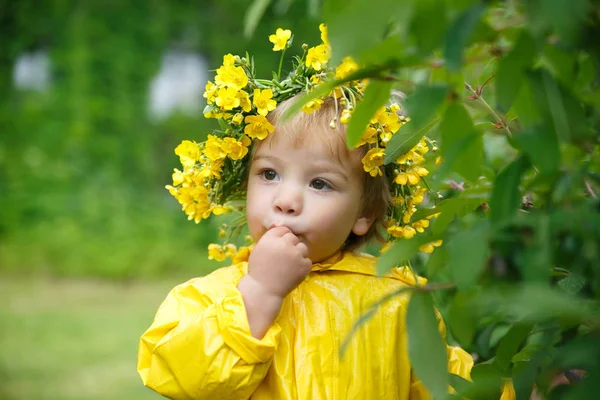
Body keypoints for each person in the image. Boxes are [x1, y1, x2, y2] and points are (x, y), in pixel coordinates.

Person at [137, 26, 516, 399]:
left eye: (320, 183)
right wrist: (260, 292)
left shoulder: (396, 299)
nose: (286, 200)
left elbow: (449, 385)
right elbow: (187, 379)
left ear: (364, 213)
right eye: (269, 173)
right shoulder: (213, 297)